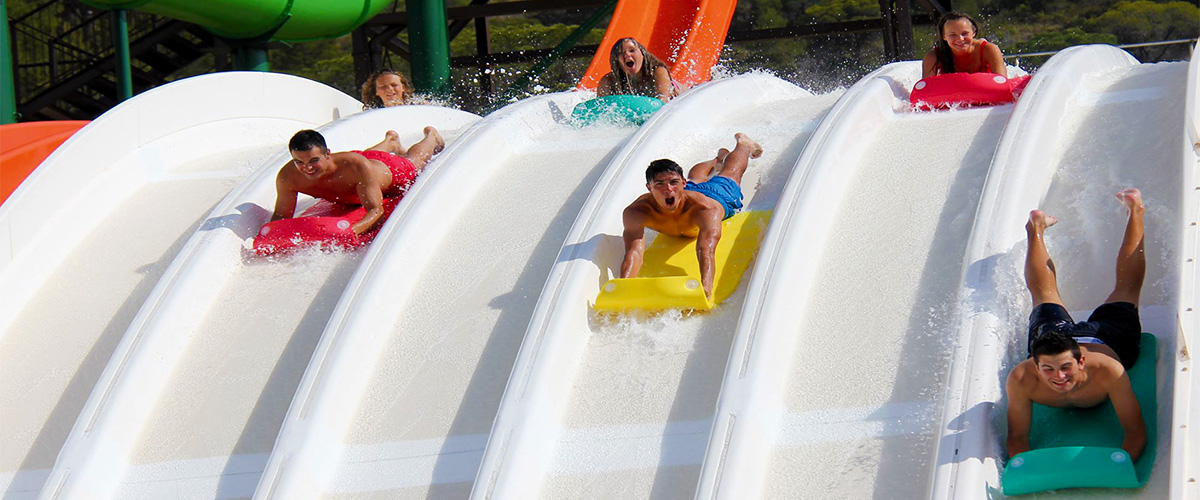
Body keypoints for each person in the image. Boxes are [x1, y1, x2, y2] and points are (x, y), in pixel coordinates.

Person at [1005, 188, 1148, 462]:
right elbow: (1016, 439)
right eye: (1047, 368)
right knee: (1043, 295)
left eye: (1065, 367)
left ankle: (1136, 211)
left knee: (1128, 289)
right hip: (1055, 336)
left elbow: (1135, 433)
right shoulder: (1022, 379)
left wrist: (1120, 467)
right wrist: (1028, 469)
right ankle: (1035, 226)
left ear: (1081, 361)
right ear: (1035, 364)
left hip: (1106, 339)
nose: (1058, 376)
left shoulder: (1109, 371)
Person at [619, 133, 762, 299]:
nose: (668, 189)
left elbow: (705, 248)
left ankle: (743, 144)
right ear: (649, 187)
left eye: (674, 182)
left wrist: (705, 287)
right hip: (689, 194)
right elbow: (634, 252)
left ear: (682, 184)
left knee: (730, 174)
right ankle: (718, 159)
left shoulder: (705, 209)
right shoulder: (636, 212)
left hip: (718, 196)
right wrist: (624, 286)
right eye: (659, 184)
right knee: (696, 177)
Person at [271, 127, 444, 235]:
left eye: (313, 161)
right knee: (363, 159)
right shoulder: (289, 177)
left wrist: (349, 231)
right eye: (299, 162)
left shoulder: (355, 167)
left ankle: (431, 137)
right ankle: (391, 142)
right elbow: (280, 217)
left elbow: (376, 212)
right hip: (361, 162)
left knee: (414, 162)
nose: (307, 168)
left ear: (327, 154)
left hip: (388, 170)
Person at [596, 37, 688, 102]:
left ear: (643, 55)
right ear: (617, 61)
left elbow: (663, 102)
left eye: (632, 50)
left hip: (687, 97)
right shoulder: (609, 81)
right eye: (620, 53)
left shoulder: (657, 71)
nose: (627, 55)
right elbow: (601, 109)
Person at [921, 11, 1007, 79]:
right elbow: (926, 93)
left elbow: (1002, 82)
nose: (960, 39)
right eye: (953, 35)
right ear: (944, 36)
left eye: (965, 33)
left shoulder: (988, 50)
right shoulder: (933, 56)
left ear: (974, 32)